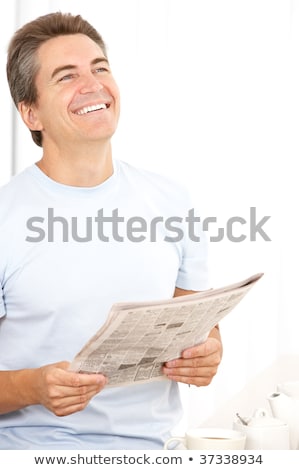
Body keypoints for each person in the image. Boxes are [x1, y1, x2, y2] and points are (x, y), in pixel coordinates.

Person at [0, 12, 223, 449]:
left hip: (151, 451)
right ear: (31, 113)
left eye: (99, 68)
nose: (93, 85)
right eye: (66, 76)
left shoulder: (172, 200)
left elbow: (199, 323)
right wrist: (33, 387)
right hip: (35, 450)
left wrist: (208, 353)